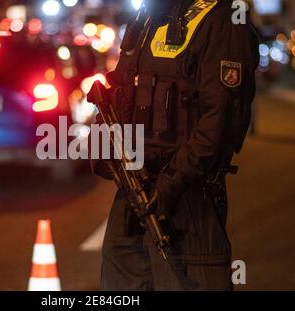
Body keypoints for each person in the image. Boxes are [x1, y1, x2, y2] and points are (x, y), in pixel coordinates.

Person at [90, 0, 259, 290]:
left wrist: (170, 184)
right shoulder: (147, 18)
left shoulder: (223, 21)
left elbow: (219, 124)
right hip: (131, 197)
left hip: (189, 203)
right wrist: (103, 148)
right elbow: (122, 91)